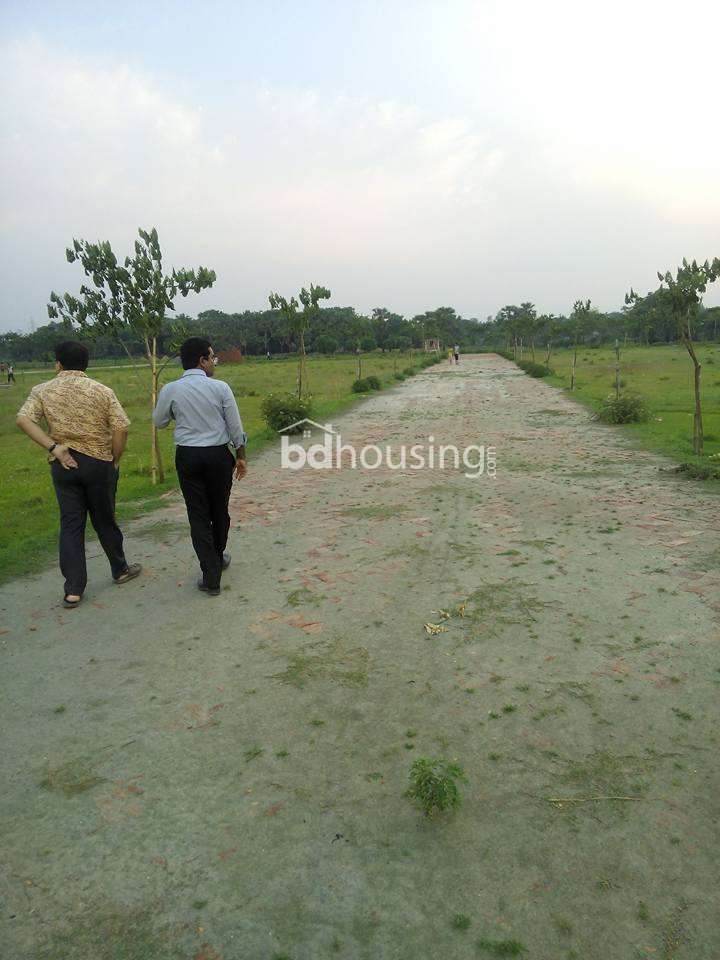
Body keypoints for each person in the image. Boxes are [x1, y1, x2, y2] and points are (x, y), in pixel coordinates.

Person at [16, 341, 141, 608]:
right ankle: (120, 569)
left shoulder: (42, 390)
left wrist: (54, 447)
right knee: (105, 520)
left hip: (63, 463)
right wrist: (114, 458)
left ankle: (73, 589)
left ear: (57, 363)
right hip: (98, 463)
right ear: (87, 364)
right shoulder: (101, 390)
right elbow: (121, 428)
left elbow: (23, 419)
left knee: (71, 525)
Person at [153, 337, 247, 597]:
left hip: (188, 456)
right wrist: (241, 455)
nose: (214, 362)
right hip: (218, 456)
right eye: (212, 357)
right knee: (220, 510)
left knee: (197, 514)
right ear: (201, 360)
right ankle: (216, 558)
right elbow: (235, 427)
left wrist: (177, 412)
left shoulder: (171, 390)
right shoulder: (220, 388)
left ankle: (211, 573)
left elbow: (159, 421)